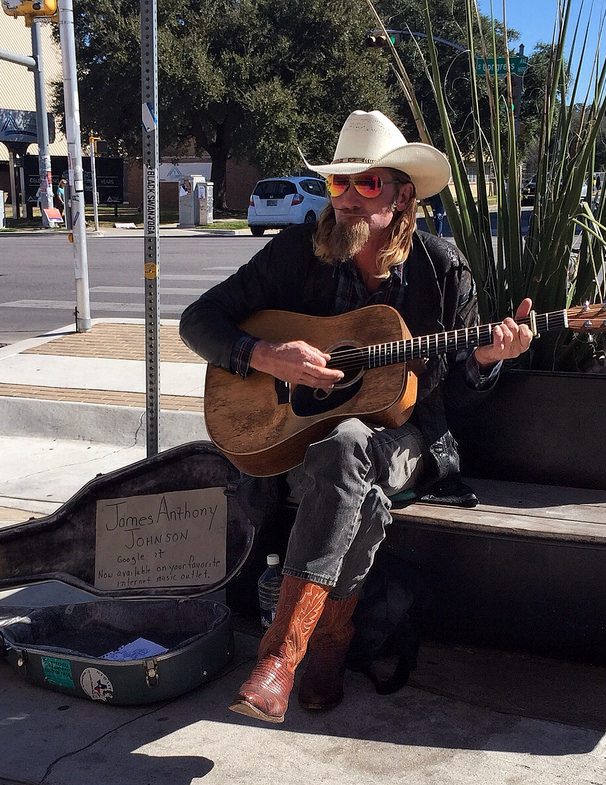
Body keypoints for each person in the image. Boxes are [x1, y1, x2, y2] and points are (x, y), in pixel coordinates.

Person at [179, 110, 533, 725]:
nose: (344, 197)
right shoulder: (298, 252)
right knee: (347, 462)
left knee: (347, 448)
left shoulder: (441, 268)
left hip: (410, 437)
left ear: (401, 197)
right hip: (295, 441)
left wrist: (483, 359)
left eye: (364, 184)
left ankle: (282, 657)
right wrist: (264, 354)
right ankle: (327, 648)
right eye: (337, 183)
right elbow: (198, 322)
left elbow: (457, 400)